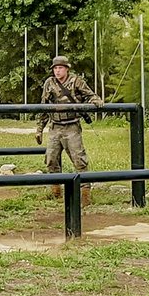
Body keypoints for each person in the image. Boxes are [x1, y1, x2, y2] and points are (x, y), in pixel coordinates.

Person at [34, 55, 103, 204]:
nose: (57, 71)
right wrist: (39, 129)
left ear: (67, 69)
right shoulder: (49, 83)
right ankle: (56, 192)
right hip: (55, 126)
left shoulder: (76, 81)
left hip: (72, 126)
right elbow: (44, 106)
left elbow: (90, 95)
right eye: (55, 68)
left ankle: (85, 196)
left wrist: (96, 101)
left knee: (79, 160)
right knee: (51, 159)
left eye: (60, 68)